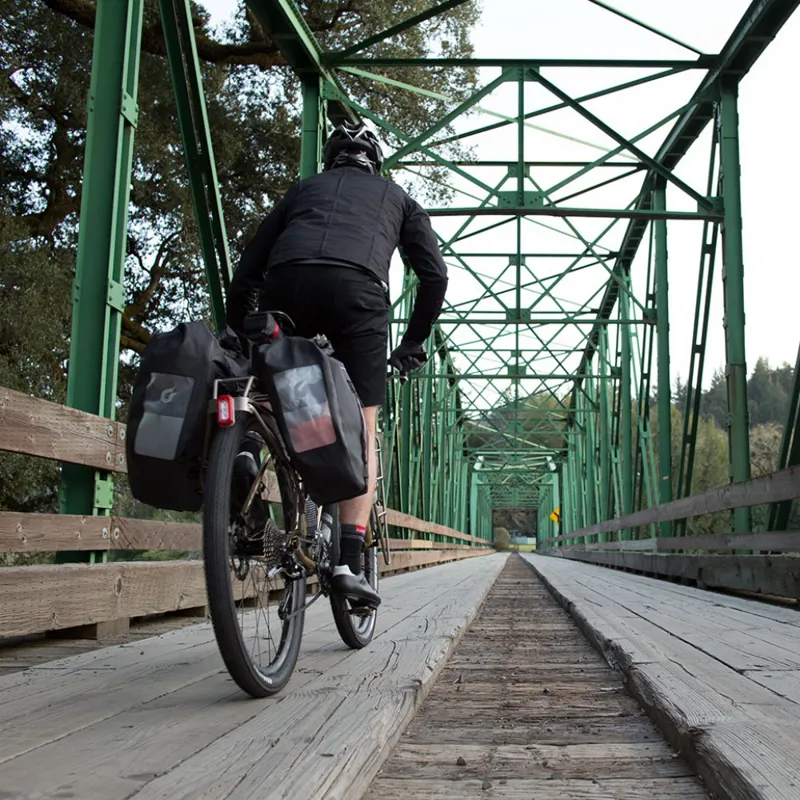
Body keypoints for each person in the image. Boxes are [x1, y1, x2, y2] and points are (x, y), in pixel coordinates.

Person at [225, 121, 448, 609]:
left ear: (331, 161)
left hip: (286, 286)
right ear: (376, 162)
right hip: (358, 293)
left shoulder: (303, 190)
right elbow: (434, 275)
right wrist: (413, 342)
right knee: (363, 424)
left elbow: (250, 262)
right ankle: (348, 558)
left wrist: (239, 327)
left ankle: (243, 450)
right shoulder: (398, 197)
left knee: (266, 390)